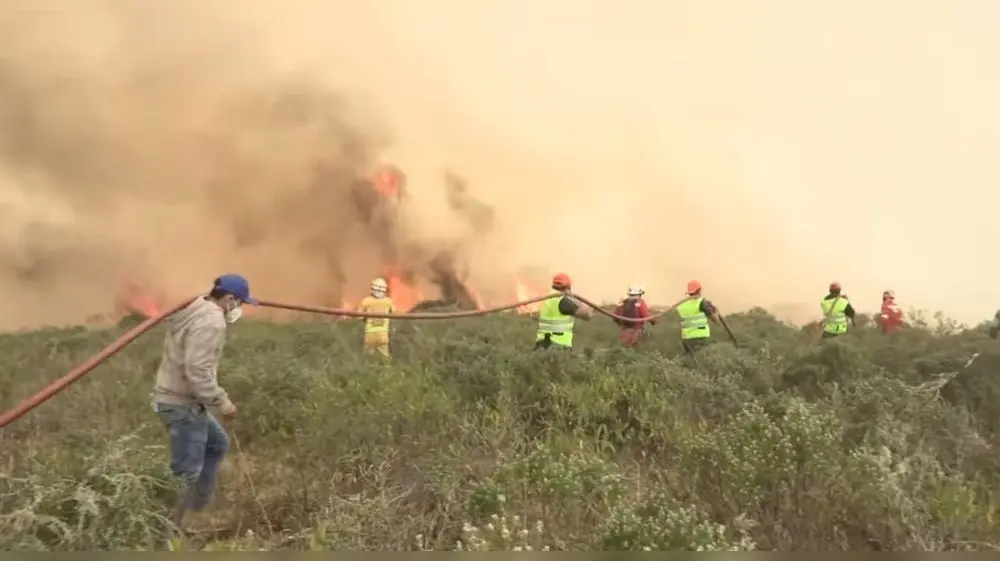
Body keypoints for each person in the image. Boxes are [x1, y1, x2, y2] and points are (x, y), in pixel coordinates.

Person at [152, 274, 255, 528]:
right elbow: (197, 369)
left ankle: (199, 509)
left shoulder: (196, 306)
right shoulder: (212, 320)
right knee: (187, 471)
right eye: (240, 303)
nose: (239, 309)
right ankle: (169, 528)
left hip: (178, 399)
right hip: (182, 404)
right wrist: (222, 402)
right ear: (230, 299)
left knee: (217, 443)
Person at [534, 272, 593, 350]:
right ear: (568, 286)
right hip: (557, 345)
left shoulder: (547, 298)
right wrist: (575, 299)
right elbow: (587, 314)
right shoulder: (562, 301)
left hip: (542, 343)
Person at [676, 280, 722, 354]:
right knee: (703, 360)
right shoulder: (701, 302)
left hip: (686, 339)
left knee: (690, 361)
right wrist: (717, 311)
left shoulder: (682, 304)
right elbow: (716, 320)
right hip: (700, 338)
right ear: (699, 290)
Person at [358, 277, 395, 358]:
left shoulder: (366, 301)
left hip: (369, 335)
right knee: (385, 358)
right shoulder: (388, 302)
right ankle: (387, 370)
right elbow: (394, 314)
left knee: (367, 358)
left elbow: (360, 317)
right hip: (383, 335)